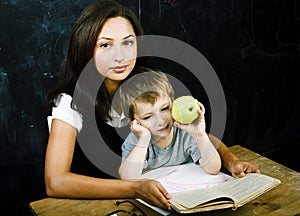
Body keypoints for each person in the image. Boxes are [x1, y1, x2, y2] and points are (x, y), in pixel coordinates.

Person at [45, 0, 259, 211]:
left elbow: (190, 133)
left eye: (128, 42)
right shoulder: (70, 103)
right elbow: (55, 182)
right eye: (105, 45)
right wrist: (133, 188)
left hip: (156, 201)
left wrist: (231, 161)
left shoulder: (146, 85)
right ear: (85, 49)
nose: (120, 56)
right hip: (96, 208)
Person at [117, 68, 222, 179]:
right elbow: (127, 178)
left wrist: (200, 135)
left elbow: (214, 168)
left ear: (173, 101)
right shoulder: (136, 140)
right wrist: (143, 139)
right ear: (134, 122)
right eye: (148, 117)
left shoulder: (185, 132)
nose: (161, 121)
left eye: (165, 108)